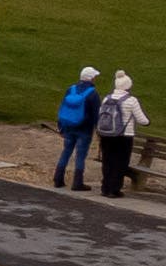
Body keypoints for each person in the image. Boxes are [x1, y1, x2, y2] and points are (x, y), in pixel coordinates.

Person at [95, 70, 148, 198]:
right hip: (124, 135)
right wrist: (148, 122)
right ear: (128, 86)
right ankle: (114, 189)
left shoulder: (107, 98)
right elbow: (142, 120)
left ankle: (105, 187)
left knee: (107, 161)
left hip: (106, 134)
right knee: (120, 162)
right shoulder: (131, 100)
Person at [52, 66, 102, 188]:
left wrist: (61, 125)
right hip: (84, 129)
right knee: (80, 155)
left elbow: (63, 107)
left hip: (68, 126)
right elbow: (96, 114)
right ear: (91, 78)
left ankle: (58, 178)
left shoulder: (71, 89)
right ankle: (77, 182)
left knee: (66, 151)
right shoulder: (93, 94)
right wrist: (98, 130)